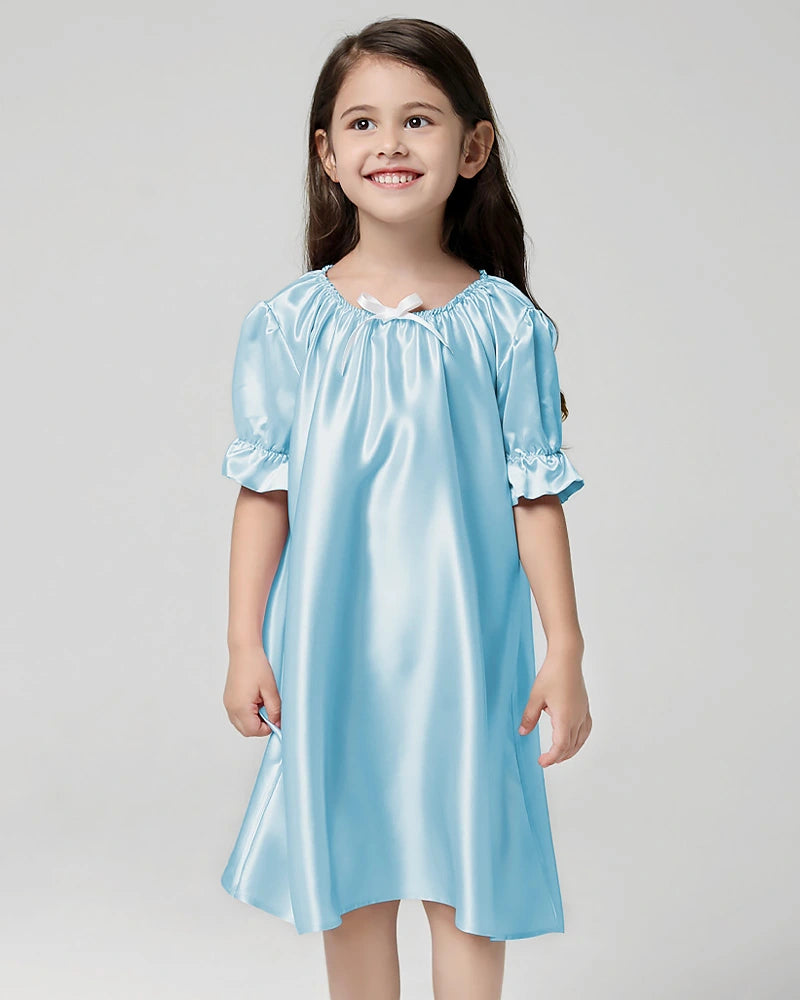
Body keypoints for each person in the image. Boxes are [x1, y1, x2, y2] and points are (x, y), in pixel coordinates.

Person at [219, 16, 591, 1000]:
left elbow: (534, 496)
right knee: (349, 872)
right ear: (326, 154)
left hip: (468, 653)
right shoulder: (289, 326)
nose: (389, 143)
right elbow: (264, 492)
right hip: (332, 648)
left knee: (470, 874)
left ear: (472, 147)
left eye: (418, 119)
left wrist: (563, 646)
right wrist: (245, 643)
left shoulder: (505, 327)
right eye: (363, 123)